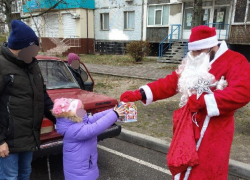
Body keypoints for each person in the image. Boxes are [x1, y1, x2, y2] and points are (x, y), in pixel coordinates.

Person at [120, 25, 250, 179]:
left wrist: (204, 101)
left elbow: (243, 91)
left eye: (197, 51)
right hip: (187, 129)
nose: (193, 55)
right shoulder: (193, 61)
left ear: (210, 47)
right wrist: (139, 93)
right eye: (192, 51)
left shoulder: (235, 60)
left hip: (215, 134)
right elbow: (170, 83)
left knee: (205, 172)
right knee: (184, 168)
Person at [0, 20, 56, 179]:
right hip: (8, 141)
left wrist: (57, 115)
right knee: (9, 177)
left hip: (28, 136)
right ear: (20, 47)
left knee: (25, 174)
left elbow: (42, 95)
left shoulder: (31, 65)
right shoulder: (2, 66)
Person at [52, 98, 125, 180]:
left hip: (85, 166)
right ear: (72, 114)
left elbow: (93, 118)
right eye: (80, 109)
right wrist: (114, 114)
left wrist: (112, 111)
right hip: (79, 174)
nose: (83, 111)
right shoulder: (73, 130)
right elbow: (94, 128)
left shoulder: (78, 121)